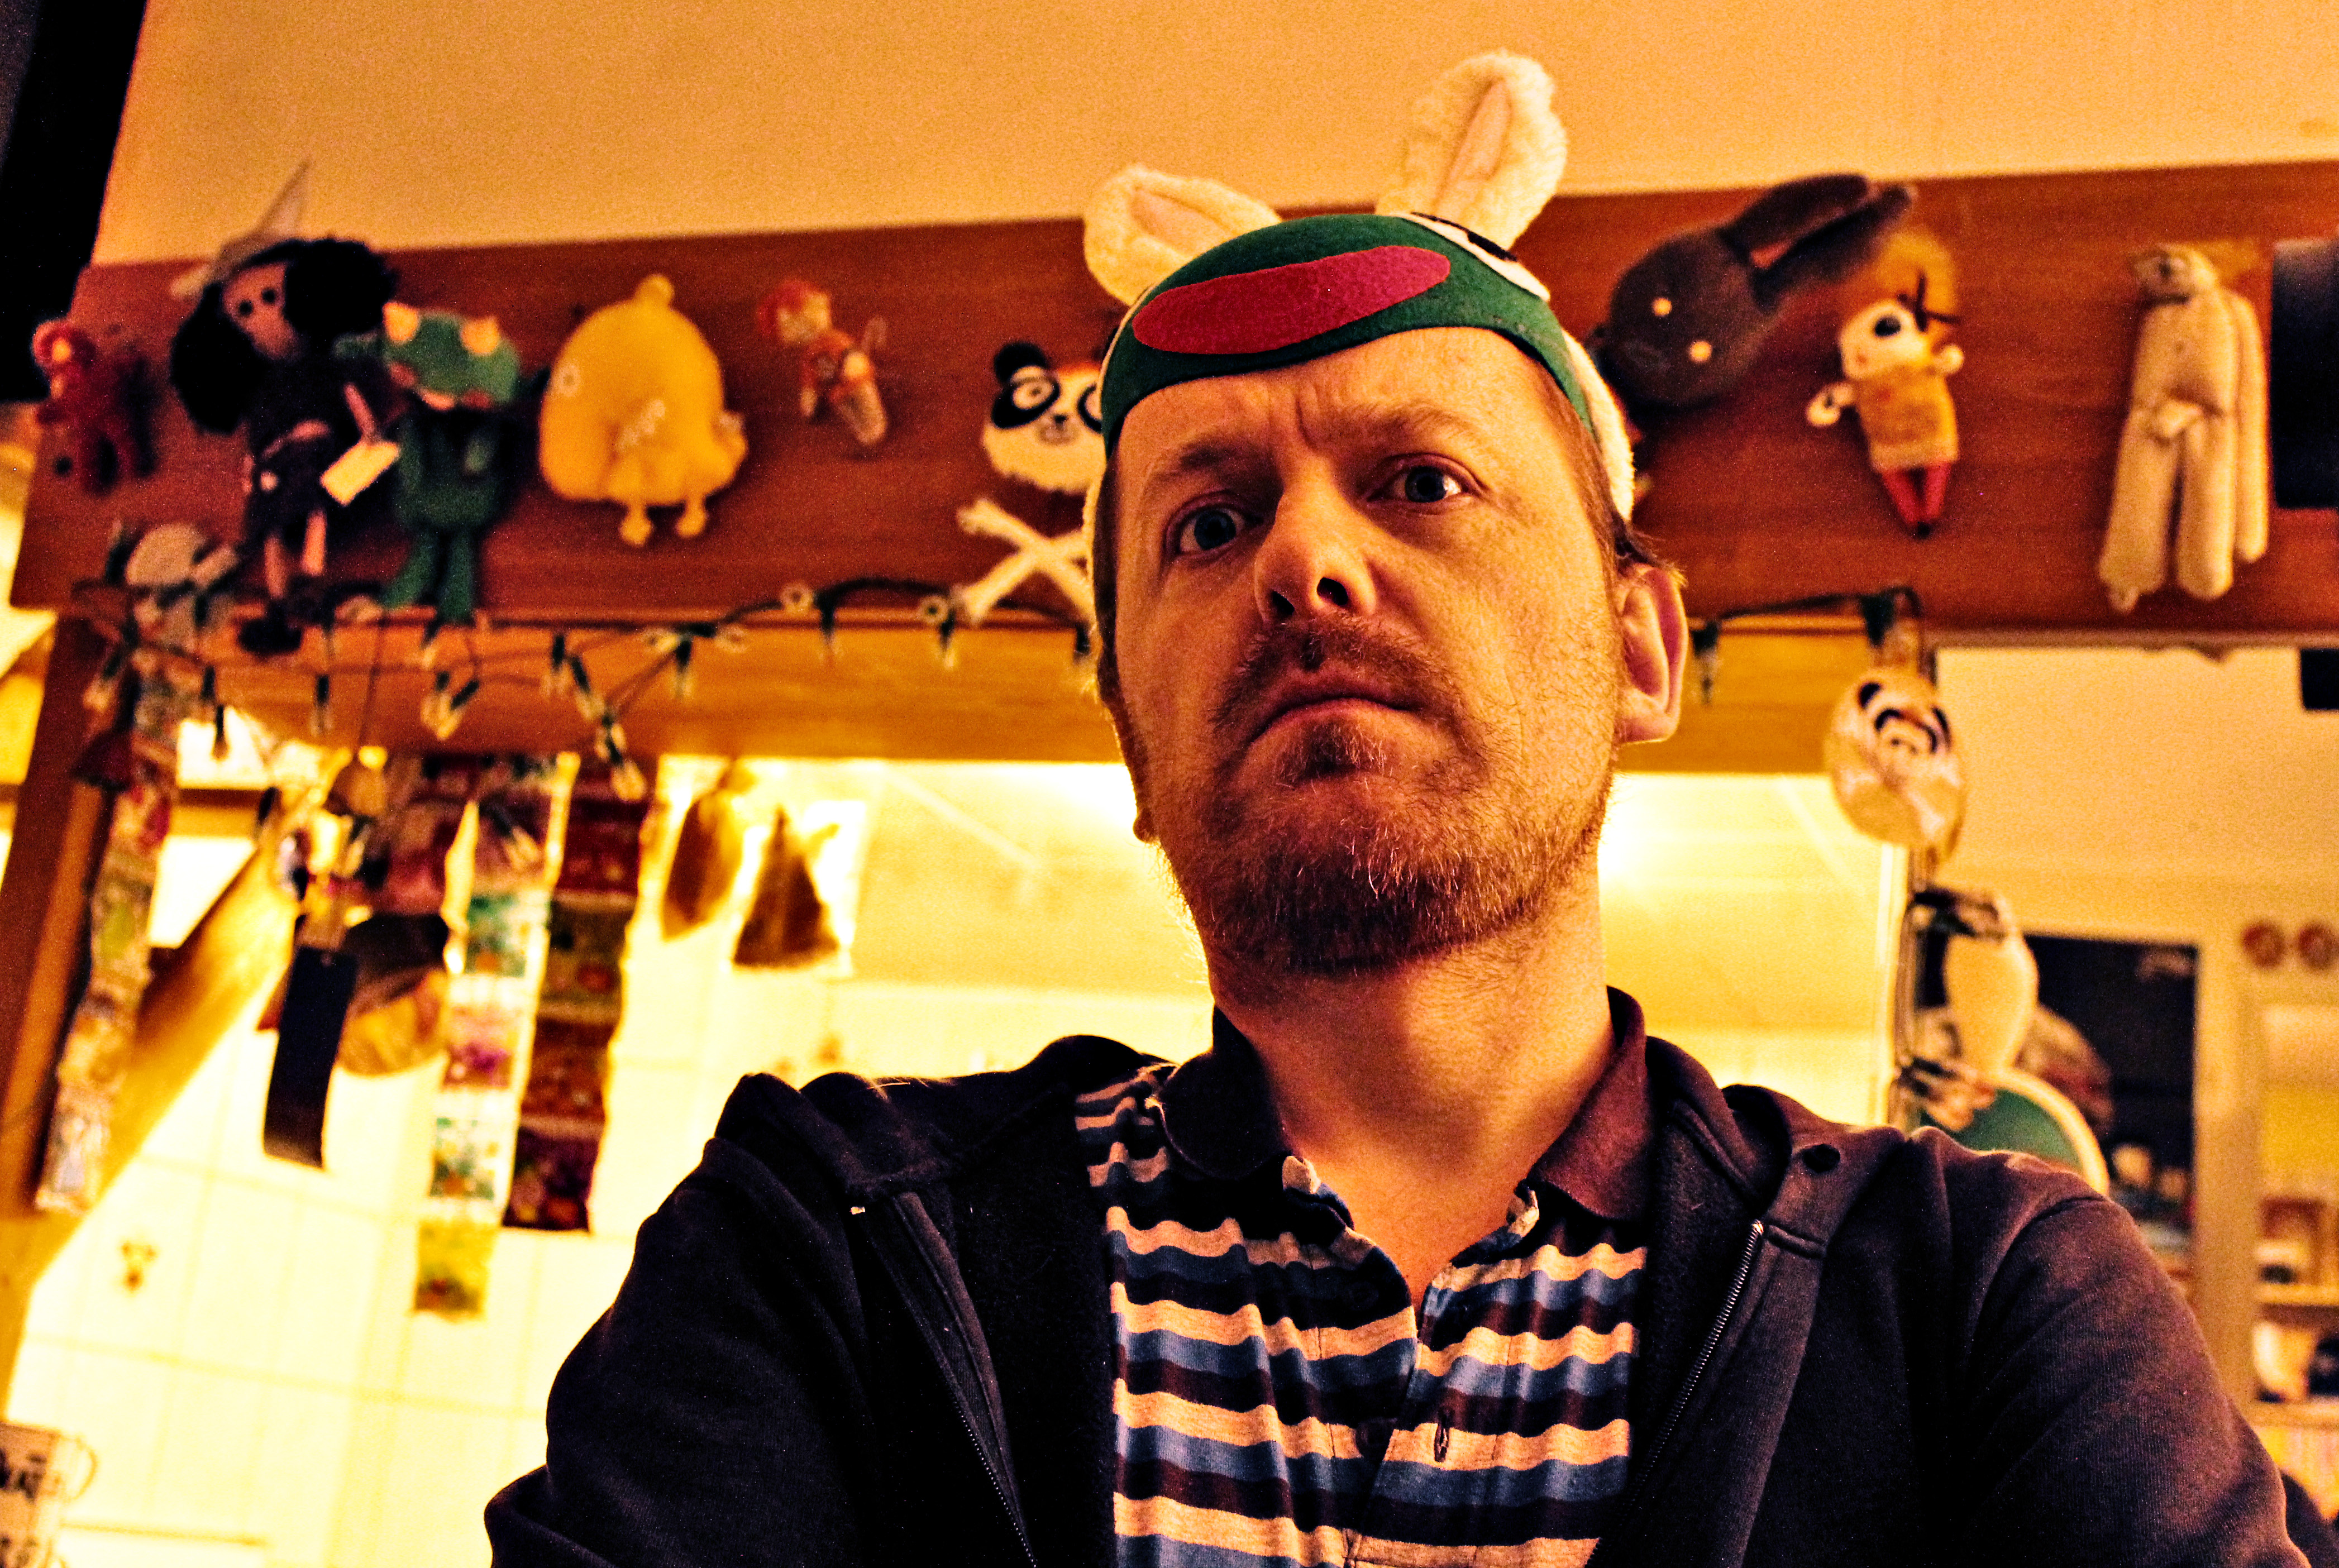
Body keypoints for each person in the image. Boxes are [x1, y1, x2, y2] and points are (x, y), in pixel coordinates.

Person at [485, 211, 2304, 1567]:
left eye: (1420, 482)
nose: (1303, 559)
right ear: (1131, 740)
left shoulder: (1988, 1300)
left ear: (1641, 649)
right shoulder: (829, 1246)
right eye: (1206, 525)